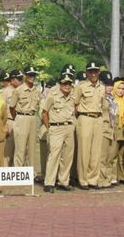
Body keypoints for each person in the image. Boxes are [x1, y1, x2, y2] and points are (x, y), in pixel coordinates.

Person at [42, 74, 76, 192]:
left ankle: (63, 181)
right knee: (54, 155)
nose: (67, 86)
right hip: (56, 128)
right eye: (64, 83)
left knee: (67, 156)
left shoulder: (72, 97)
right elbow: (44, 113)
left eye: (69, 84)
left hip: (69, 128)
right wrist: (49, 127)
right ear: (60, 84)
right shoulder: (53, 95)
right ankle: (49, 183)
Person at [73, 62, 104, 190]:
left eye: (95, 71)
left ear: (99, 73)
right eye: (90, 71)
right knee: (84, 151)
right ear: (86, 72)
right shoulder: (81, 86)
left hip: (98, 118)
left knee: (96, 152)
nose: (93, 74)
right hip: (85, 117)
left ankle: (93, 179)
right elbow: (75, 104)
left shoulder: (101, 87)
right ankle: (83, 179)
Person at [9, 66, 41, 169]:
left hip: (33, 117)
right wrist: (18, 118)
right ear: (25, 76)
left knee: (32, 147)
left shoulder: (37, 90)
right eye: (30, 75)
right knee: (20, 147)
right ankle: (18, 170)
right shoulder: (19, 90)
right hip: (21, 117)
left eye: (33, 75)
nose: (32, 77)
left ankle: (31, 173)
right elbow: (12, 107)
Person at [100, 72, 117, 188]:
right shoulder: (100, 98)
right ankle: (102, 180)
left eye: (111, 84)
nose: (109, 87)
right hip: (103, 129)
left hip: (112, 129)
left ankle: (109, 177)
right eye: (107, 84)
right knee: (102, 157)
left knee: (111, 156)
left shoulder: (112, 98)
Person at [112, 78, 124, 182]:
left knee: (121, 155)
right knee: (113, 154)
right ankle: (113, 176)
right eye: (119, 88)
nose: (121, 90)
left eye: (123, 89)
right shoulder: (111, 99)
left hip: (123, 129)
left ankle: (121, 176)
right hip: (114, 129)